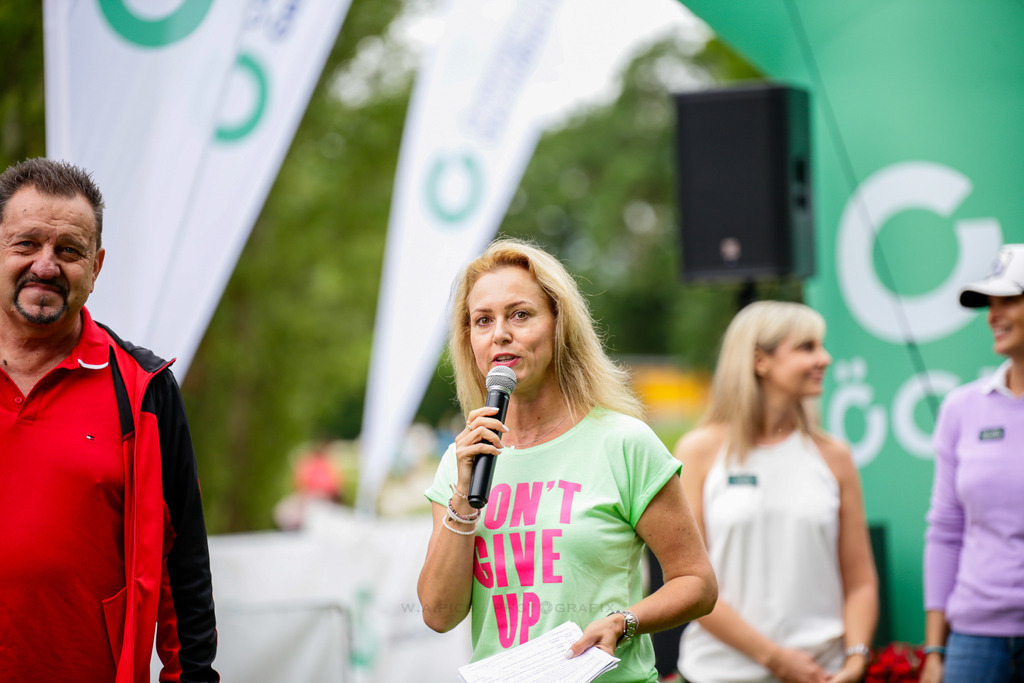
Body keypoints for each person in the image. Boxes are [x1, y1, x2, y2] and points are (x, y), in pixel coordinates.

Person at [417, 238, 717, 682]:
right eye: (483, 320)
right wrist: (463, 497)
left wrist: (625, 622)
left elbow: (697, 583)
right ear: (470, 341)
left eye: (520, 314)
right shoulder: (461, 462)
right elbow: (439, 613)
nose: (501, 333)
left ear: (559, 324)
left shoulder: (623, 443)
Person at [0, 158, 218, 682]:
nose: (46, 266)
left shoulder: (143, 388)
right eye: (26, 244)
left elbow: (181, 566)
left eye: (69, 251)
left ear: (96, 268)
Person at [675, 301, 878, 683]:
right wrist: (774, 658)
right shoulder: (699, 452)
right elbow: (688, 583)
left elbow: (860, 580)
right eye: (807, 347)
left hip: (824, 674)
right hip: (717, 674)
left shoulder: (834, 456)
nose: (826, 359)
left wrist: (855, 660)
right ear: (759, 361)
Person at [921, 243, 1024, 683]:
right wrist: (934, 650)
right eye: (989, 303)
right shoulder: (960, 408)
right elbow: (946, 529)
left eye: (1009, 300)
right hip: (974, 641)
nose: (993, 315)